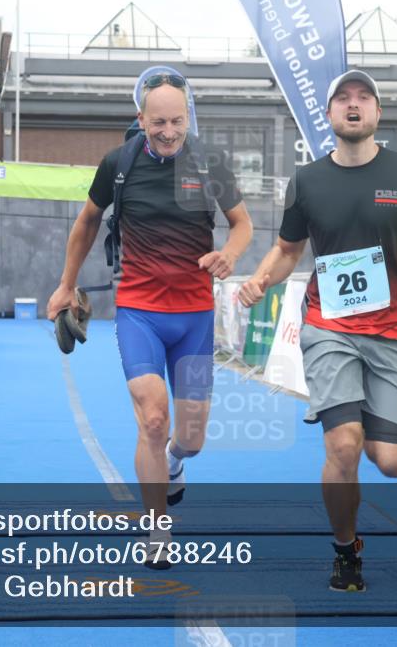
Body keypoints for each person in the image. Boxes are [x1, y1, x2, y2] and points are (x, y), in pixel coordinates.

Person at [238, 70, 397, 592]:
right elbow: (288, 250)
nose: (353, 104)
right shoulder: (307, 181)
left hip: (391, 331)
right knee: (343, 446)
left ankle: (362, 418)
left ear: (378, 112)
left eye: (364, 97)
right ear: (330, 114)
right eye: (343, 97)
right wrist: (260, 279)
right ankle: (346, 550)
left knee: (394, 462)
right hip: (329, 327)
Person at [47, 70, 253, 566]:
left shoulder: (211, 162)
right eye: (158, 122)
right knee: (154, 418)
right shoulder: (118, 163)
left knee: (192, 438)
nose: (168, 131)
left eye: (177, 121)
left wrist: (229, 254)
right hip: (139, 312)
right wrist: (66, 284)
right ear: (141, 119)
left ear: (188, 117)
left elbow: (242, 224)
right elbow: (87, 222)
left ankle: (177, 464)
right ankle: (158, 529)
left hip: (196, 317)